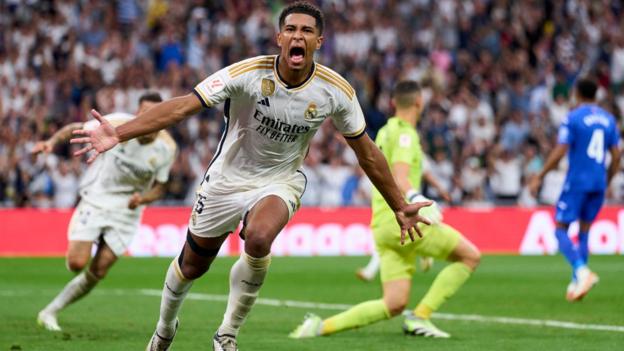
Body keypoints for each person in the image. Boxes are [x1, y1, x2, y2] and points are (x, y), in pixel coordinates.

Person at [69, 3, 432, 350]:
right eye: (290, 29)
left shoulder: (335, 91)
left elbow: (366, 150)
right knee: (193, 265)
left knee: (258, 238)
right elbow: (182, 106)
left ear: (318, 42)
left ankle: (227, 333)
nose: (297, 37)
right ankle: (164, 329)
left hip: (280, 180)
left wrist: (399, 205)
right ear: (279, 38)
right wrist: (120, 132)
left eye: (307, 31)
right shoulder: (246, 74)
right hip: (227, 179)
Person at [289, 81, 481, 340]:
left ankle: (321, 327)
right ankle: (420, 316)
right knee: (470, 256)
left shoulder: (384, 133)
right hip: (404, 220)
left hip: (382, 225)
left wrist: (432, 185)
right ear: (419, 103)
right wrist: (417, 195)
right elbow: (401, 177)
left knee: (394, 303)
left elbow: (395, 167)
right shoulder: (406, 134)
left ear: (392, 103)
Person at [34, 92, 177, 332]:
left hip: (128, 210)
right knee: (77, 263)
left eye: (154, 113)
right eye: (144, 112)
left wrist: (143, 198)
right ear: (137, 113)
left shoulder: (167, 147)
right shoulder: (117, 124)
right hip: (97, 199)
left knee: (99, 269)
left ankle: (50, 311)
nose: (148, 118)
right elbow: (76, 129)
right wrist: (52, 142)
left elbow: (161, 187)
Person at [530, 78, 620, 302]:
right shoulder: (609, 119)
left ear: (577, 94)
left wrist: (540, 175)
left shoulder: (573, 117)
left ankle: (581, 271)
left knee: (560, 229)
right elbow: (617, 155)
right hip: (598, 182)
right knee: (584, 231)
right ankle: (577, 282)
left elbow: (561, 150)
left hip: (577, 181)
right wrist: (607, 180)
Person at [356, 168, 452, 282]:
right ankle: (424, 252)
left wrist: (439, 190)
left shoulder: (407, 152)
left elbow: (425, 173)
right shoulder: (390, 154)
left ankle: (371, 270)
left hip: (404, 199)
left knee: (391, 235)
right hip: (390, 201)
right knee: (391, 236)